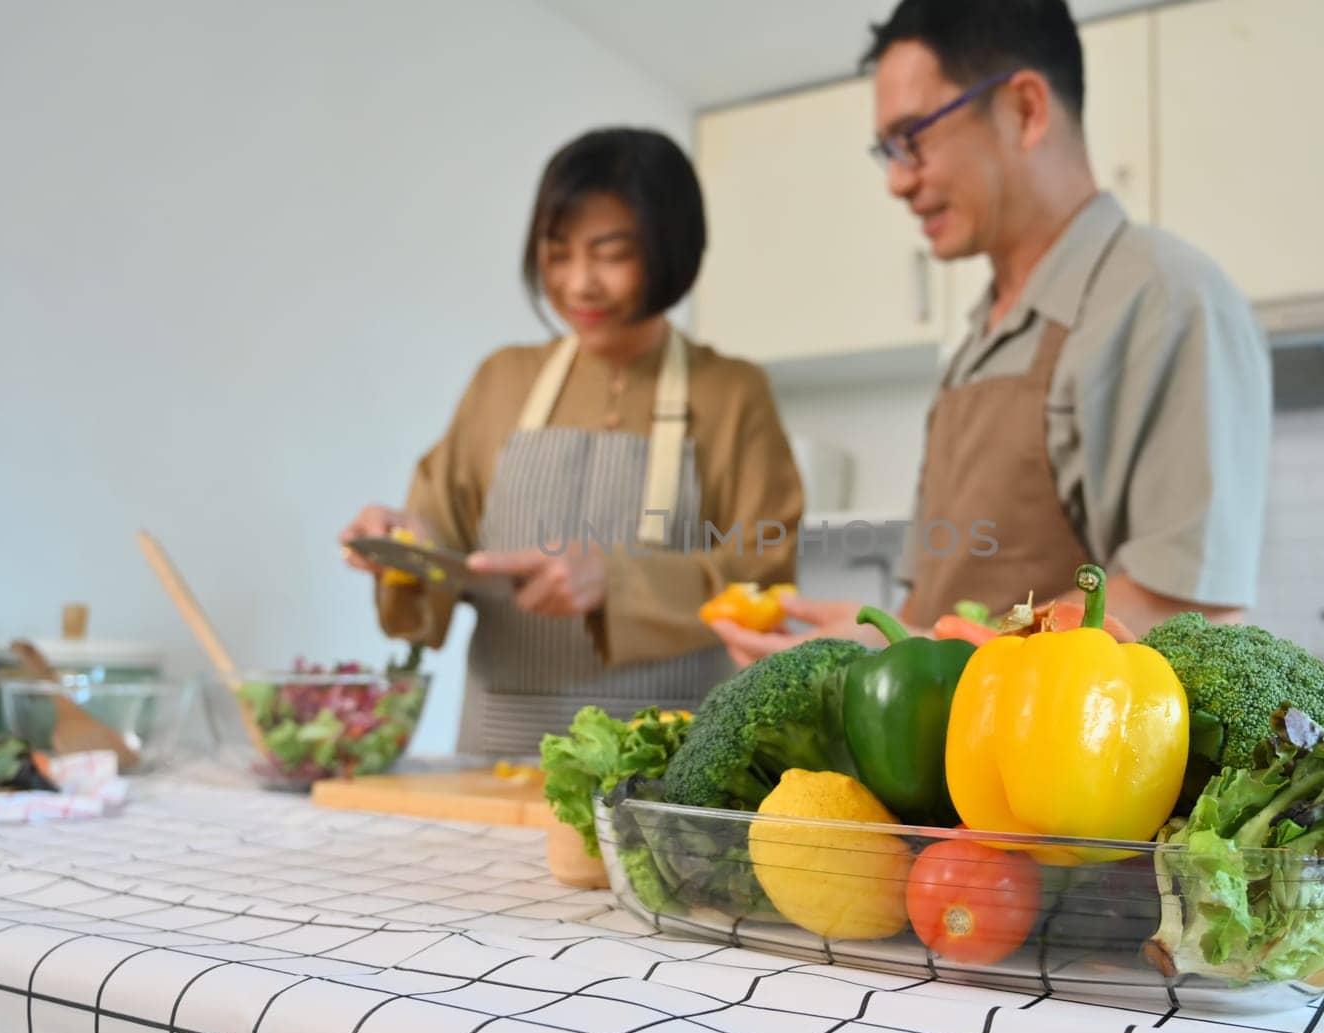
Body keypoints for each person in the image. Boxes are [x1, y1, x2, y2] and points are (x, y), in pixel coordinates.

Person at [711, 0, 1271, 665]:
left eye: (912, 137)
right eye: (887, 150)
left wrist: (921, 650)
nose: (896, 180)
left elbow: (1186, 609)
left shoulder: (1164, 298)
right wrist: (872, 644)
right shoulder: (975, 340)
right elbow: (936, 618)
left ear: (1025, 110)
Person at [342, 128, 802, 754]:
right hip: (499, 746)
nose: (579, 283)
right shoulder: (501, 379)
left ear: (672, 248)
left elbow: (762, 575)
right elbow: (439, 536)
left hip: (668, 753)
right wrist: (407, 552)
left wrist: (617, 581)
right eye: (557, 253)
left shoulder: (731, 393)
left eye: (611, 254)